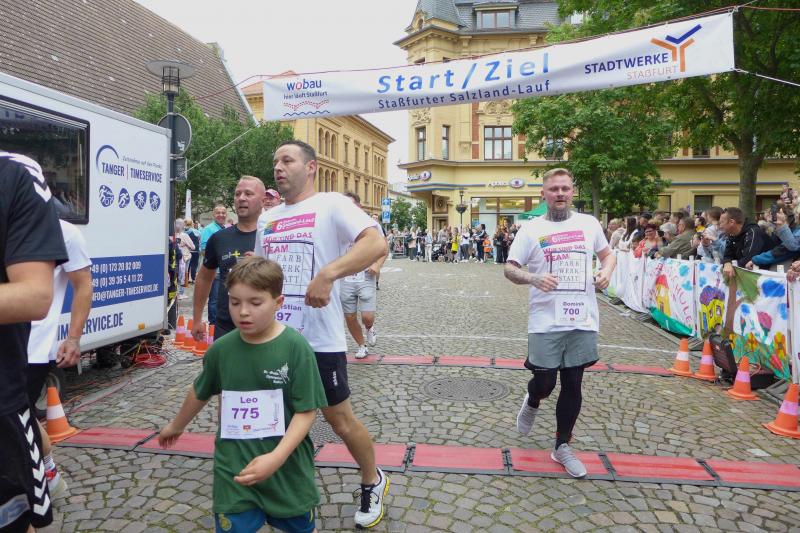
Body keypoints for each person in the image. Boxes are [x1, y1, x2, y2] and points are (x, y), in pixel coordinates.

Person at [255, 140, 389, 528]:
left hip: (319, 339)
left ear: (311, 167)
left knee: (340, 421)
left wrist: (328, 274)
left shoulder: (331, 204)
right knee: (277, 421)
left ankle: (373, 479)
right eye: (275, 161)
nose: (278, 167)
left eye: (287, 160)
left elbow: (375, 242)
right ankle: (287, 491)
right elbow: (262, 273)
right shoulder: (268, 218)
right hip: (275, 337)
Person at [160, 257, 326, 533]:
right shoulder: (221, 350)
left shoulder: (296, 348)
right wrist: (176, 425)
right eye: (235, 302)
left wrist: (276, 457)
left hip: (287, 470)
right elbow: (201, 390)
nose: (243, 312)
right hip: (234, 469)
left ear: (278, 302)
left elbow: (306, 411)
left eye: (255, 303)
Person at [504, 167, 615, 479]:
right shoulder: (530, 229)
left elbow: (608, 256)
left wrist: (606, 272)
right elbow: (510, 269)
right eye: (554, 189)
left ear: (572, 192)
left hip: (581, 317)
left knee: (573, 383)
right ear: (544, 194)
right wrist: (533, 278)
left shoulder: (589, 224)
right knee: (545, 383)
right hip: (545, 320)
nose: (560, 193)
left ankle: (562, 446)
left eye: (565, 188)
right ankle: (533, 398)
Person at [0, 152, 68, 532]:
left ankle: (45, 470)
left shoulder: (13, 174)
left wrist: (74, 337)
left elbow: (39, 294)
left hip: (16, 376)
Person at [27, 219, 92, 500]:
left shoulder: (64, 231)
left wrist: (73, 338)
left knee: (15, 418)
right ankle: (49, 474)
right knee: (22, 418)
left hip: (32, 349)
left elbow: (83, 285)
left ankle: (39, 485)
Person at [193, 177, 265, 340]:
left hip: (264, 328)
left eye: (248, 194)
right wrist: (197, 319)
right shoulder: (219, 238)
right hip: (226, 327)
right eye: (237, 194)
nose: (241, 198)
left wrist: (263, 264)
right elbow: (204, 278)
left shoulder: (272, 236)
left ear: (263, 200)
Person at [340, 192, 388, 360]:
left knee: (367, 317)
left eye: (351, 204)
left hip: (366, 275)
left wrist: (377, 264)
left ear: (359, 206)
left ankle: (369, 327)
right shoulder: (336, 225)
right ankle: (361, 345)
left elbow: (384, 249)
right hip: (345, 277)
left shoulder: (371, 225)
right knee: (350, 316)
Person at [720, 207, 773, 279]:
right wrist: (727, 263)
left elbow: (748, 259)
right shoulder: (732, 234)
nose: (720, 226)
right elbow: (727, 255)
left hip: (767, 275)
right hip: (751, 274)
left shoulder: (753, 232)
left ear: (732, 222)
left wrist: (730, 264)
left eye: (722, 222)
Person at [201, 205, 228, 326]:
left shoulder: (225, 228)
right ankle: (213, 324)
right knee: (214, 300)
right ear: (213, 215)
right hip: (214, 271)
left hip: (224, 271)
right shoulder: (209, 229)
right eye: (218, 213)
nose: (221, 215)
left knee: (222, 299)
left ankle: (220, 323)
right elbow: (203, 250)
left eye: (223, 213)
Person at [185, 218, 201, 283]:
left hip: (187, 251)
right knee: (194, 265)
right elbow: (199, 240)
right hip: (195, 250)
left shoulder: (184, 232)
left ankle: (186, 279)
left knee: (187, 265)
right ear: (192, 224)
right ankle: (193, 279)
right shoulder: (197, 232)